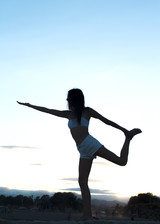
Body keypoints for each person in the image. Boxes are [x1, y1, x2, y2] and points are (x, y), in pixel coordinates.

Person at [17, 88, 142, 220]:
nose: (66, 100)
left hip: (89, 143)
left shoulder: (87, 111)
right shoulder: (68, 114)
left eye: (68, 97)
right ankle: (87, 214)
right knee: (82, 181)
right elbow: (48, 110)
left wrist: (124, 130)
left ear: (74, 99)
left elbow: (107, 121)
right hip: (82, 149)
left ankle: (128, 138)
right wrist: (29, 105)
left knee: (122, 162)